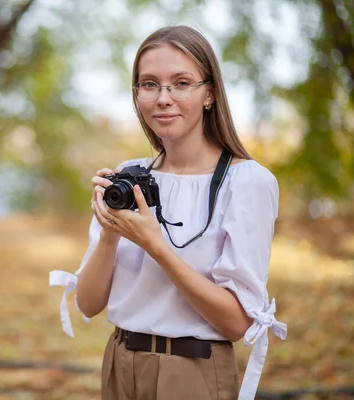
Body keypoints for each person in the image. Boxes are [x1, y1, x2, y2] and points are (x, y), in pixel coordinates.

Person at [49, 25, 287, 400]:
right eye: (149, 84)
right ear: (137, 93)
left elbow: (236, 322)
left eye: (181, 83)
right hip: (119, 363)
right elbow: (88, 304)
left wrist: (157, 247)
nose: (163, 98)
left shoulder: (246, 182)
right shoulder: (129, 178)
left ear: (209, 93)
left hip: (191, 371)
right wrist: (110, 232)